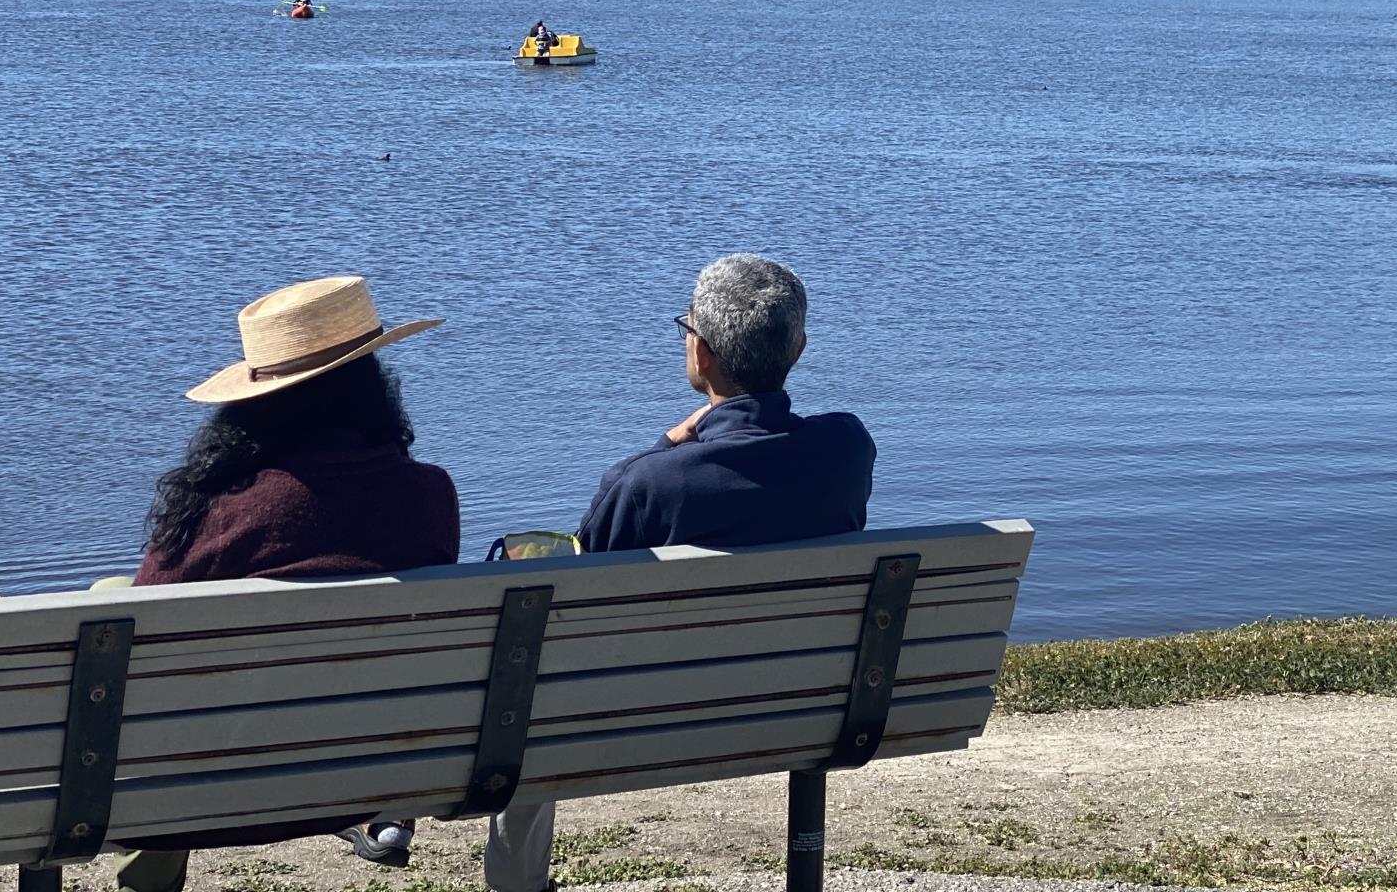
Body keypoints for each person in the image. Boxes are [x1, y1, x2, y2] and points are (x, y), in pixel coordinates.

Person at [483, 254, 873, 892]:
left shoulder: (647, 483)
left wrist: (662, 450)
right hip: (809, 706)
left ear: (703, 355)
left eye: (687, 328)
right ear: (797, 348)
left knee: (525, 700)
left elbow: (574, 607)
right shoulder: (847, 449)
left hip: (641, 725)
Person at [114, 276, 460, 892]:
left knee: (107, 607)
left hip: (204, 789)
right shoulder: (430, 495)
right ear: (371, 389)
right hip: (374, 768)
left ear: (255, 403)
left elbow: (146, 617)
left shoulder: (227, 509)